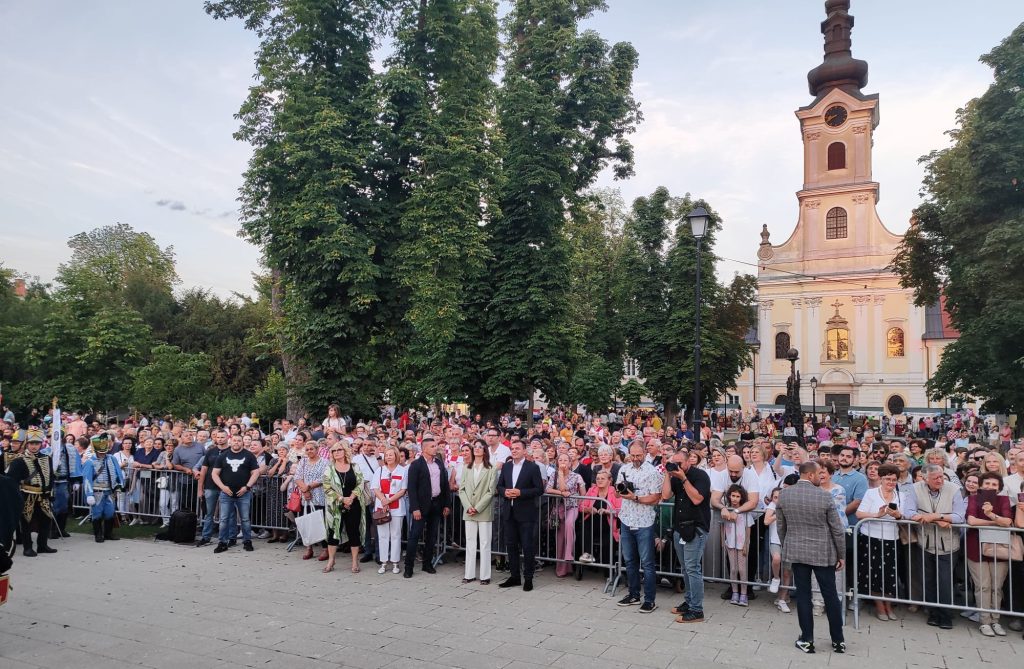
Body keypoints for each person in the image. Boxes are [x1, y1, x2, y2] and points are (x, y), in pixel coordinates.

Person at [776, 461, 846, 655]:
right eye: (818, 474)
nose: (820, 477)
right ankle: (838, 640)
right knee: (830, 595)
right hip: (823, 552)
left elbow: (781, 527)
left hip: (797, 552)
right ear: (811, 475)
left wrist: (787, 544)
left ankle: (807, 639)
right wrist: (841, 554)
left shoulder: (784, 495)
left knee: (804, 595)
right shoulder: (825, 497)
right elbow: (837, 529)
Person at [910, 463, 966, 630]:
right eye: (935, 478)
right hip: (925, 542)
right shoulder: (915, 488)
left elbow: (959, 516)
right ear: (925, 478)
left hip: (948, 544)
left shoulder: (954, 489)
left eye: (941, 476)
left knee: (945, 580)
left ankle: (946, 615)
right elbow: (909, 512)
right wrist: (931, 519)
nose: (940, 480)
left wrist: (939, 516)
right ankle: (933, 612)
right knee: (928, 579)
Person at [855, 463, 912, 621]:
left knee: (889, 575)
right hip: (870, 538)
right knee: (873, 573)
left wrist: (898, 515)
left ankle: (888, 605)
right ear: (881, 479)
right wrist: (877, 515)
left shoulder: (901, 496)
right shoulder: (871, 493)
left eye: (894, 480)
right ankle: (879, 606)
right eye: (888, 479)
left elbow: (906, 517)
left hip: (891, 539)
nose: (891, 482)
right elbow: (860, 514)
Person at [662, 446, 711, 624]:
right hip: (679, 528)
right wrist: (668, 474)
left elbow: (697, 499)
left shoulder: (700, 476)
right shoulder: (674, 475)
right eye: (673, 464)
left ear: (689, 461)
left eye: (679, 464)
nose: (677, 467)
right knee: (685, 568)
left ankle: (697, 610)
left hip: (696, 529)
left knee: (692, 568)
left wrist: (683, 479)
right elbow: (666, 495)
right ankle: (689, 601)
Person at [615, 444, 664, 613]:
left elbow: (656, 497)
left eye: (638, 455)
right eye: (633, 455)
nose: (635, 459)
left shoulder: (652, 472)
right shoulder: (624, 468)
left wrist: (635, 497)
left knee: (647, 563)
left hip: (644, 521)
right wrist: (621, 490)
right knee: (629, 560)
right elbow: (616, 492)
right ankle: (633, 594)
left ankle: (650, 599)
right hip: (626, 518)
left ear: (644, 453)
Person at [966, 472, 1014, 637]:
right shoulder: (974, 499)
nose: (990, 487)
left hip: (998, 548)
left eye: (994, 485)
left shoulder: (1004, 500)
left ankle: (996, 620)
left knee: (997, 587)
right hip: (975, 548)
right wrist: (995, 522)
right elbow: (971, 521)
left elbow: (1008, 521)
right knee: (983, 586)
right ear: (981, 485)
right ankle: (984, 621)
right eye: (987, 484)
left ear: (999, 487)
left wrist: (990, 514)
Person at [496, 438, 545, 591]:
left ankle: (528, 578)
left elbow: (539, 490)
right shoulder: (507, 466)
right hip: (509, 513)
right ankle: (514, 576)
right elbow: (500, 486)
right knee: (511, 546)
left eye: (517, 448)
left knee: (527, 546)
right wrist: (505, 492)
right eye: (512, 448)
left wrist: (520, 493)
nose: (514, 450)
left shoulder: (533, 468)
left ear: (525, 451)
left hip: (526, 513)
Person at [404, 434, 451, 578]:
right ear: (424, 449)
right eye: (432, 446)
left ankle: (427, 563)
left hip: (436, 504)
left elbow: (445, 485)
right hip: (421, 506)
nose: (435, 448)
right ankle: (409, 567)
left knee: (432, 536)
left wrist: (446, 504)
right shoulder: (416, 465)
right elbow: (411, 488)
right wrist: (415, 508)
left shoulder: (439, 463)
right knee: (415, 535)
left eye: (436, 445)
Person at [5, 428, 57, 556]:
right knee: (26, 522)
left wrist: (49, 492)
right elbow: (11, 481)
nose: (34, 446)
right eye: (31, 443)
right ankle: (27, 547)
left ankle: (42, 545)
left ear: (41, 444)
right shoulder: (19, 460)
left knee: (46, 519)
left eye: (37, 443)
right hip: (26, 494)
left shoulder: (46, 458)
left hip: (43, 495)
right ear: (27, 444)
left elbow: (50, 476)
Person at [210, 434, 261, 554]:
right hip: (226, 493)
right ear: (230, 441)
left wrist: (247, 487)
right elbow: (214, 474)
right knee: (224, 519)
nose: (236, 442)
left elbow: (256, 472)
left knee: (245, 519)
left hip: (244, 493)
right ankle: (222, 543)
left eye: (239, 440)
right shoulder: (223, 456)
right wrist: (222, 487)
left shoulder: (249, 456)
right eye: (234, 440)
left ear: (242, 442)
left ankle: (247, 541)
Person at [322, 444, 366, 574]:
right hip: (335, 506)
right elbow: (327, 487)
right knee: (333, 533)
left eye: (339, 449)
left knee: (354, 532)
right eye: (333, 450)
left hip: (354, 503)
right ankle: (331, 560)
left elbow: (360, 483)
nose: (336, 452)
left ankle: (354, 562)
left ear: (345, 451)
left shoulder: (354, 466)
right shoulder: (329, 469)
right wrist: (342, 499)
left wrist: (351, 498)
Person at [459, 439, 497, 584]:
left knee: (485, 543)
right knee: (470, 542)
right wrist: (468, 506)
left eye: (480, 447)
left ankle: (485, 576)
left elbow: (490, 491)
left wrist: (478, 507)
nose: (477, 449)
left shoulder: (491, 469)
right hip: (468, 510)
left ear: (485, 450)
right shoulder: (466, 467)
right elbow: (462, 489)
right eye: (475, 446)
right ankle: (469, 574)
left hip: (484, 510)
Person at [545, 452, 585, 578]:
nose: (562, 462)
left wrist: (562, 477)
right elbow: (548, 489)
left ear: (569, 462)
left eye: (565, 460)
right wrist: (561, 493)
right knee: (560, 538)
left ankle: (569, 554)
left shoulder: (576, 476)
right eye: (560, 460)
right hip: (558, 509)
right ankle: (562, 568)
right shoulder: (554, 474)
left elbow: (565, 488)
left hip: (572, 507)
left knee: (569, 524)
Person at [81, 434, 125, 543]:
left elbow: (117, 472)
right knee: (97, 514)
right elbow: (87, 480)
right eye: (100, 451)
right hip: (97, 491)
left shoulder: (111, 458)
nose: (102, 453)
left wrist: (120, 485)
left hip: (109, 491)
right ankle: (98, 534)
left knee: (110, 512)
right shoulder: (89, 462)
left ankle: (108, 533)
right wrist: (89, 494)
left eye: (104, 451)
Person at [372, 446, 408, 574]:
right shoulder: (380, 470)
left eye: (391, 455)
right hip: (382, 507)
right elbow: (375, 488)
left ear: (396, 456)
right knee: (382, 535)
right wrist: (383, 500)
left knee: (396, 535)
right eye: (386, 455)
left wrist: (389, 500)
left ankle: (395, 562)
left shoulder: (403, 471)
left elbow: (403, 490)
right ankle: (383, 561)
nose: (388, 457)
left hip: (396, 507)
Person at [293, 439, 329, 561]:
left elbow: (323, 478)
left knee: (320, 522)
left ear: (317, 449)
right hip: (306, 497)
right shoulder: (303, 462)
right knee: (307, 522)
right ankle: (309, 548)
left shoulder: (324, 462)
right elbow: (297, 477)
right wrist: (305, 490)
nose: (309, 451)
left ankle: (325, 549)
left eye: (311, 449)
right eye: (307, 449)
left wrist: (309, 487)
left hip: (320, 496)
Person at [580, 469, 621, 566]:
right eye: (598, 478)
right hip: (592, 522)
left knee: (607, 541)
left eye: (603, 478)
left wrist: (608, 511)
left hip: (608, 524)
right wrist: (589, 509)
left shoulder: (615, 492)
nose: (599, 480)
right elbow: (581, 507)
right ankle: (587, 554)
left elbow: (620, 510)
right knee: (584, 527)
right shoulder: (592, 490)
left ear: (609, 480)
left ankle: (607, 566)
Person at [196, 429, 230, 547]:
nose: (220, 439)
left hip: (226, 487)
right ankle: (206, 537)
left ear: (227, 438)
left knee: (226, 515)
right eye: (218, 437)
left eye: (222, 437)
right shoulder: (210, 452)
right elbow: (203, 470)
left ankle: (226, 538)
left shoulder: (232, 451)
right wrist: (200, 489)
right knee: (209, 514)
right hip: (210, 486)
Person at [721, 483, 752, 606]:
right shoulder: (726, 510)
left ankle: (744, 594)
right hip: (731, 543)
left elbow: (748, 529)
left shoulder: (745, 512)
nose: (734, 499)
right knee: (733, 569)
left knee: (742, 569)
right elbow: (722, 526)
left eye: (737, 496)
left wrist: (746, 544)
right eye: (733, 495)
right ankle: (735, 592)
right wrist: (722, 540)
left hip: (741, 543)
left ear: (741, 498)